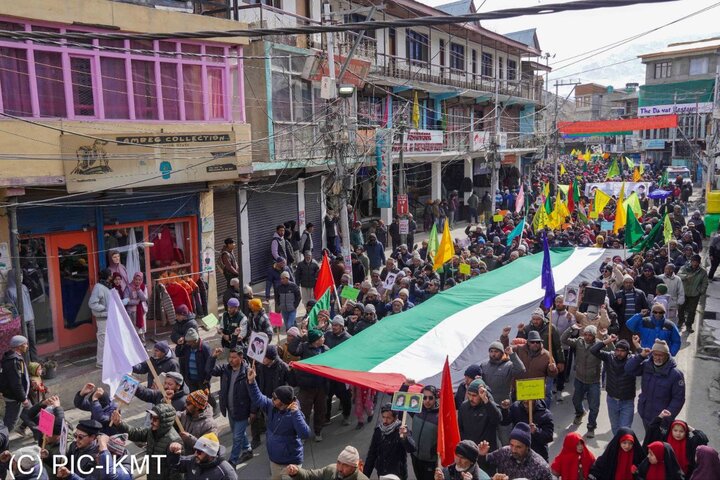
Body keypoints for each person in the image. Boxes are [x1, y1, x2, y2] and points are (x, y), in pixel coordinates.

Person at [247, 366, 310, 480]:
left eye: (275, 397)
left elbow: (305, 434)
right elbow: (259, 398)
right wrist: (252, 382)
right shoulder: (271, 406)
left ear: (284, 401)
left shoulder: (295, 414)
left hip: (291, 464)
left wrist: (295, 414)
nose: (272, 399)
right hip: (274, 461)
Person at [208, 345, 254, 466]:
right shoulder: (226, 369)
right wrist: (213, 357)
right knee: (237, 432)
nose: (230, 360)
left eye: (234, 357)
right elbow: (210, 371)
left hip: (242, 410)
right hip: (231, 409)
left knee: (237, 436)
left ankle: (232, 461)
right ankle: (247, 449)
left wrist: (253, 411)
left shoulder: (248, 372)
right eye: (230, 357)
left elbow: (254, 394)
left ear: (241, 357)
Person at [625, 339, 685, 431]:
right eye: (655, 354)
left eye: (660, 355)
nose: (657, 357)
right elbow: (629, 369)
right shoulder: (646, 366)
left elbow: (678, 399)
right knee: (648, 442)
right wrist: (641, 356)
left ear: (667, 356)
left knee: (659, 444)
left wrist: (667, 417)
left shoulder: (676, 374)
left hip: (662, 420)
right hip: (645, 414)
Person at [111, 404, 182, 480]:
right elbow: (135, 433)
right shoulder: (152, 431)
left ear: (164, 421)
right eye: (151, 417)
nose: (151, 421)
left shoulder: (174, 441)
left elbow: (176, 472)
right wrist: (119, 423)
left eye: (155, 419)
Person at [561, 324, 606, 438]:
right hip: (579, 378)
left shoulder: (599, 344)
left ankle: (591, 427)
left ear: (594, 336)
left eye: (590, 335)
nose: (587, 337)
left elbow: (612, 351)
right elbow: (563, 339)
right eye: (585, 334)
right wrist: (571, 328)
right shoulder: (579, 342)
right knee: (576, 400)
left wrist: (606, 338)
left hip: (594, 381)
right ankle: (580, 413)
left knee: (594, 406)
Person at [590, 334, 638, 434]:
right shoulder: (609, 357)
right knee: (615, 428)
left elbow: (646, 360)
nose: (619, 353)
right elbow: (593, 350)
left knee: (625, 430)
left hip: (627, 402)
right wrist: (608, 341)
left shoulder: (632, 360)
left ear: (628, 352)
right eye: (617, 350)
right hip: (612, 400)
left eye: (622, 351)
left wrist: (637, 346)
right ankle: (617, 448)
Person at [479, 340, 525, 445]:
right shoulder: (484, 365)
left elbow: (521, 369)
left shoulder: (508, 365)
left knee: (505, 438)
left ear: (501, 353)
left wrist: (512, 354)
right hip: (488, 407)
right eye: (491, 351)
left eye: (496, 351)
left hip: (503, 407)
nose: (493, 354)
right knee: (489, 439)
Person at [289, 329, 329, 441]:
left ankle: (318, 432)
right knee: (304, 411)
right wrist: (300, 337)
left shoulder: (325, 349)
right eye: (321, 337)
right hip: (306, 387)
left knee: (320, 410)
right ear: (316, 340)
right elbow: (292, 349)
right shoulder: (304, 347)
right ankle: (303, 433)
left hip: (321, 386)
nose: (324, 339)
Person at [477, 423, 553, 480]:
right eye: (511, 445)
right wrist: (482, 455)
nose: (513, 450)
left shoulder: (541, 468)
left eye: (518, 447)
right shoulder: (504, 452)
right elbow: (484, 466)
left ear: (527, 447)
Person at [643, 413, 708, 477]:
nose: (678, 433)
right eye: (675, 430)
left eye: (681, 431)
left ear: (686, 432)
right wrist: (661, 416)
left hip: (682, 474)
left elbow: (702, 438)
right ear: (671, 430)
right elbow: (652, 428)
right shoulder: (664, 438)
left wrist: (689, 427)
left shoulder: (689, 442)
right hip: (665, 472)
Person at [251, 344, 290, 450]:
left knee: (275, 424)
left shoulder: (283, 367)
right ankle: (257, 439)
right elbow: (257, 383)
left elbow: (292, 384)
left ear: (271, 357)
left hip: (277, 402)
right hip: (263, 398)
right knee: (255, 417)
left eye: (265, 357)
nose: (262, 359)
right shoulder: (260, 366)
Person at [364, 404, 416, 480]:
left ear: (395, 418)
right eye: (383, 417)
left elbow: (412, 448)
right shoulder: (379, 430)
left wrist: (405, 437)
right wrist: (365, 475)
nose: (385, 421)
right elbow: (372, 454)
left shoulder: (402, 430)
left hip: (398, 474)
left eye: (388, 418)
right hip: (382, 473)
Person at [59, 433, 132, 480]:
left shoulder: (124, 472)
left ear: (114, 455)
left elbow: (109, 475)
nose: (97, 455)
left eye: (100, 453)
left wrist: (103, 446)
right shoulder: (101, 466)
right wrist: (70, 475)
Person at [458, 379, 502, 454]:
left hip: (487, 452)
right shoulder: (464, 406)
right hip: (470, 451)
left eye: (474, 395)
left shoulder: (489, 405)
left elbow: (497, 419)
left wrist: (486, 401)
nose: (471, 398)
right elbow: (460, 428)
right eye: (469, 394)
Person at [168, 433, 237, 480]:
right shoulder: (193, 460)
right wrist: (174, 453)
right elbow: (176, 465)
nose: (195, 454)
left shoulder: (226, 472)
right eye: (195, 450)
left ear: (210, 453)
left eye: (199, 451)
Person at [4, 270, 39, 361]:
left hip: (30, 318)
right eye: (18, 275)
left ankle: (35, 362)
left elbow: (29, 302)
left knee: (33, 341)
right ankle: (27, 363)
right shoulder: (9, 291)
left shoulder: (24, 287)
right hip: (21, 320)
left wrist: (32, 314)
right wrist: (17, 319)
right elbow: (11, 308)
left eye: (22, 275)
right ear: (12, 277)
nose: (21, 277)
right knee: (24, 343)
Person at [324, 316, 352, 426]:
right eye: (333, 325)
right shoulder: (328, 335)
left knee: (345, 397)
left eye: (336, 325)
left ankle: (346, 416)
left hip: (341, 373)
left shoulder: (348, 338)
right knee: (327, 396)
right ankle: (326, 417)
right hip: (329, 371)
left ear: (341, 326)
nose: (334, 327)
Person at [1, 335, 31, 431]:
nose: (27, 346)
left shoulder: (13, 357)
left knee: (33, 414)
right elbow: (16, 383)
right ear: (19, 346)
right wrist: (23, 399)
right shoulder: (14, 361)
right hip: (15, 398)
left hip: (19, 396)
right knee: (10, 423)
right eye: (25, 344)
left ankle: (42, 436)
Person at [285, 445, 369, 480]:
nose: (339, 468)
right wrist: (297, 471)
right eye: (339, 463)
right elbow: (311, 475)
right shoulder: (331, 469)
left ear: (354, 467)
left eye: (345, 465)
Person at [175, 328, 213, 398]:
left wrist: (207, 378)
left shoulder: (205, 348)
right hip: (191, 379)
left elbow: (210, 364)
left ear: (195, 341)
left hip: (202, 380)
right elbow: (178, 354)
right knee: (194, 398)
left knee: (205, 398)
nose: (187, 343)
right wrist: (179, 345)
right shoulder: (187, 346)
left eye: (190, 342)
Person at [677, 254, 708, 332]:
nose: (694, 263)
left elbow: (705, 283)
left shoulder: (703, 271)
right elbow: (678, 275)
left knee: (692, 311)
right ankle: (681, 321)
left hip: (694, 294)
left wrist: (700, 291)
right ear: (691, 261)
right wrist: (685, 277)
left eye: (696, 262)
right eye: (693, 261)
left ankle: (689, 325)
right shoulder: (685, 268)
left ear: (699, 263)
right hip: (684, 292)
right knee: (681, 308)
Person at [88, 268, 112, 367]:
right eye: (110, 275)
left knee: (107, 340)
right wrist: (104, 309)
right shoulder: (99, 287)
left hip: (107, 317)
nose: (111, 277)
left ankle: (105, 360)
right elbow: (92, 303)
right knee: (103, 341)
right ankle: (100, 362)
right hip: (102, 319)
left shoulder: (106, 286)